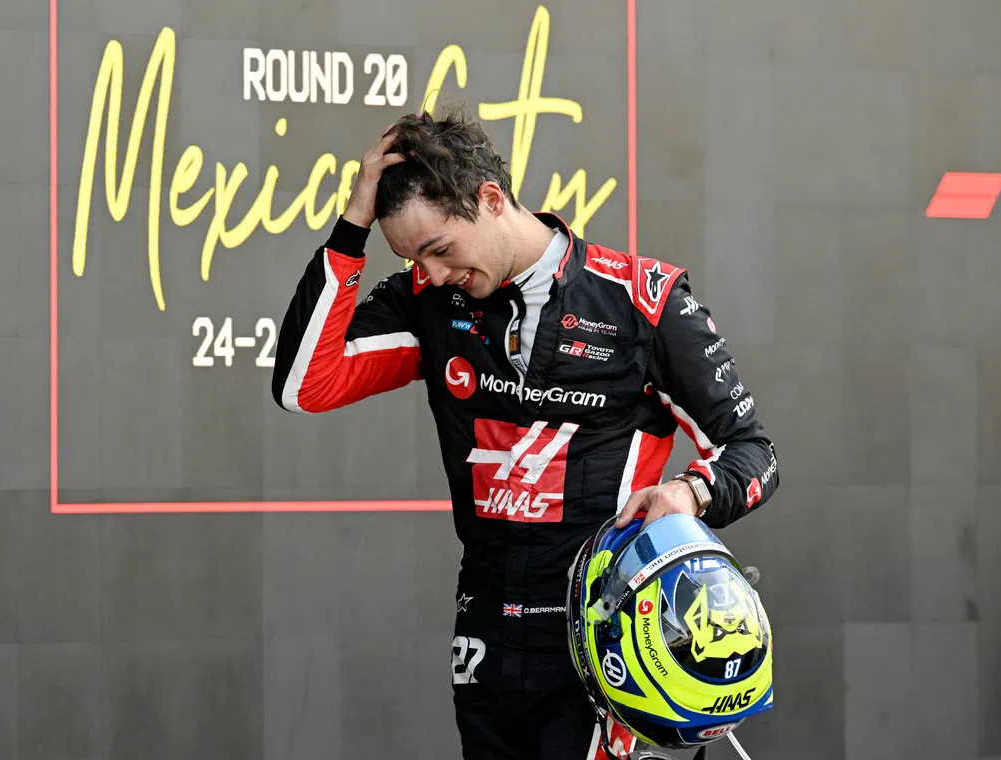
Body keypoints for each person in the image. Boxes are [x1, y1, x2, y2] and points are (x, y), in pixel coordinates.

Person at [271, 107, 780, 760]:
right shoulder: (429, 303)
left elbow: (753, 452)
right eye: (411, 258)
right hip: (486, 636)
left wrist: (689, 492)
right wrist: (353, 224)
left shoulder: (641, 300)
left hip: (610, 643)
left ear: (490, 198)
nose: (428, 273)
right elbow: (304, 384)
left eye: (439, 249)